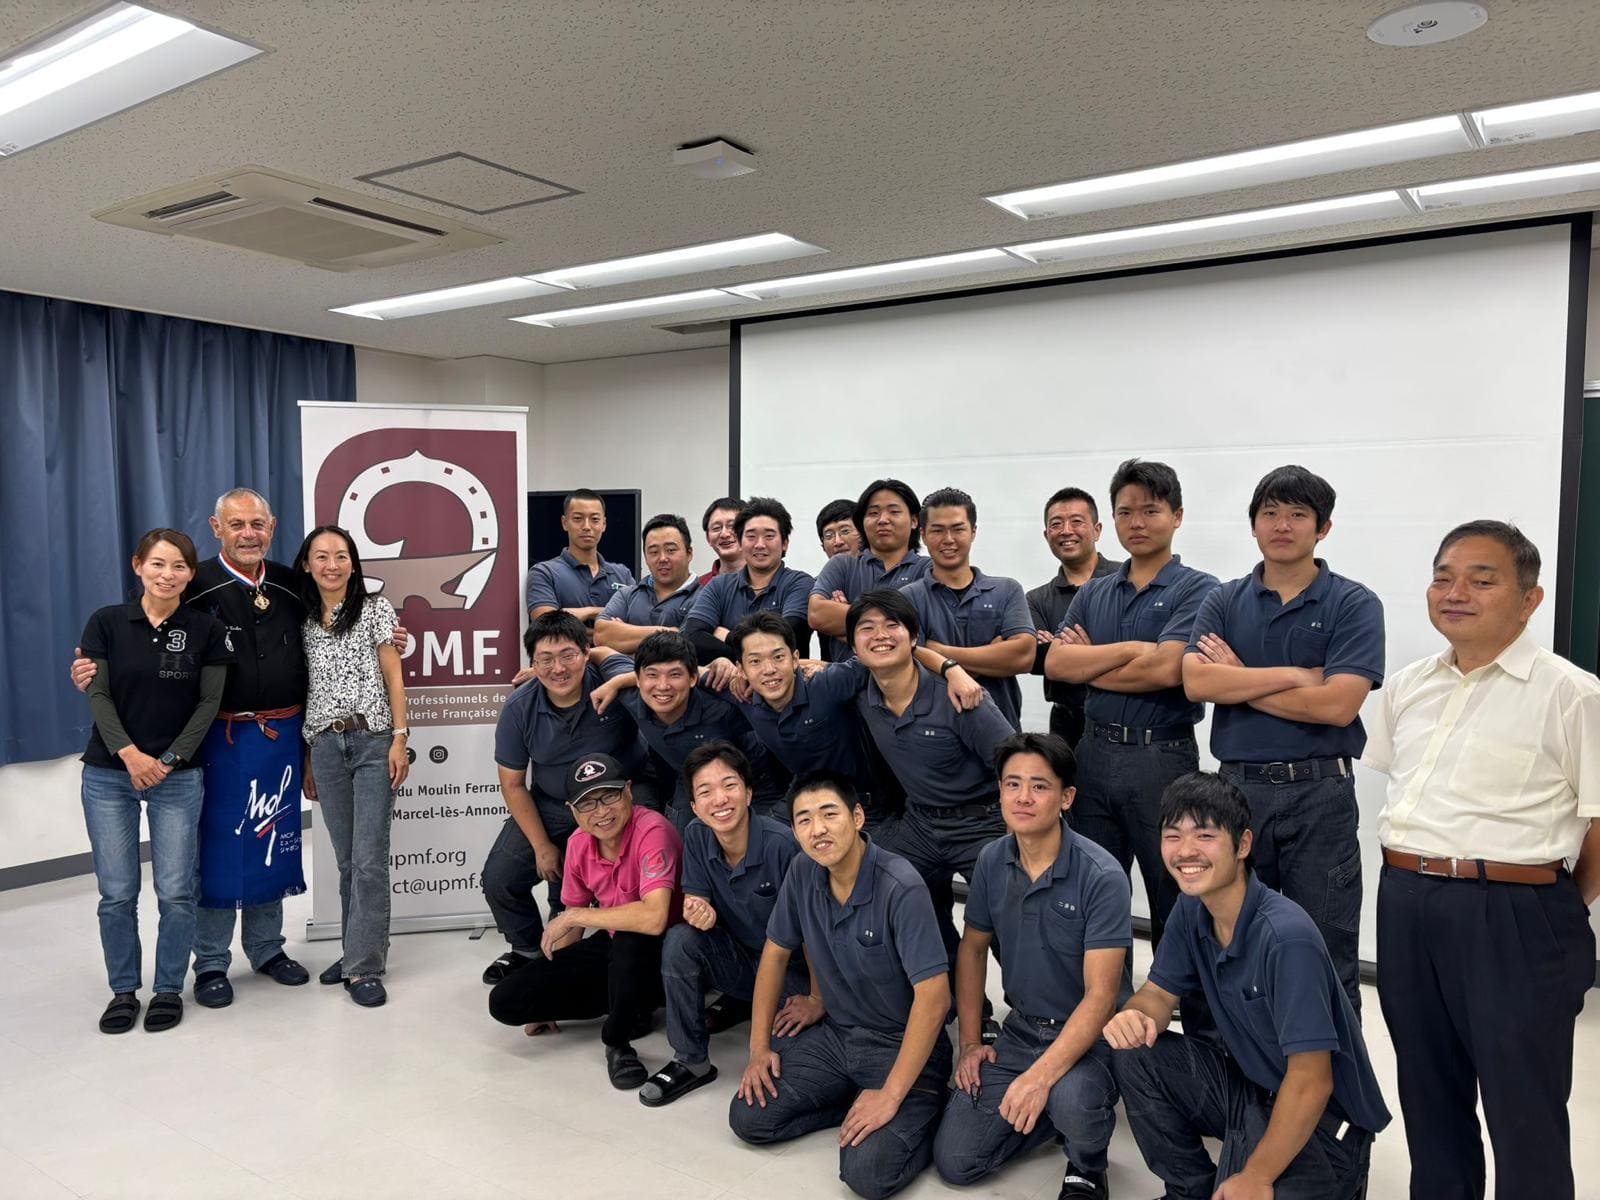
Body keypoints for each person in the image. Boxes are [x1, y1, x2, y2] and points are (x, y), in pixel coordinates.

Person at [68, 489, 402, 1008]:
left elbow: (343, 627)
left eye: (258, 524)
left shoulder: (293, 584)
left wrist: (395, 638)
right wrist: (90, 669)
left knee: (272, 840)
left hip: (285, 734)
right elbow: (143, 640)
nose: (249, 534)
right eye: (237, 524)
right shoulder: (192, 582)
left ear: (272, 527)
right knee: (217, 848)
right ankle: (211, 961)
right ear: (216, 527)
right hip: (216, 738)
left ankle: (267, 948)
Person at [1364, 520, 1600, 1200]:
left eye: (1481, 579)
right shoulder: (1409, 685)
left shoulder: (1571, 693)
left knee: (1523, 1109)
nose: (1455, 592)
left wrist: (1554, 906)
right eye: (1443, 577)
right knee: (1428, 1094)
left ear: (1530, 599)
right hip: (1407, 901)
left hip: (1517, 913)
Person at [1105, 772, 1389, 1200]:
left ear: (1242, 845)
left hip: (1326, 1125)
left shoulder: (1286, 938)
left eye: (1205, 835)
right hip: (1252, 1092)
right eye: (1173, 836)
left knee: (1258, 1181)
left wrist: (1256, 1176)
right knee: (1133, 1053)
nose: (1186, 851)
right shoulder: (1191, 908)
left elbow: (1312, 1081)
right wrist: (1138, 1016)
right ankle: (1190, 1191)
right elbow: (1159, 994)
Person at [1182, 466, 1382, 1011]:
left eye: (1297, 514)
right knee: (1234, 937)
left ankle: (1332, 1068)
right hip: (1237, 792)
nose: (1282, 525)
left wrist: (1239, 680)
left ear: (1324, 528)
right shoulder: (1224, 600)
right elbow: (1197, 681)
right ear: (1253, 525)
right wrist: (1297, 676)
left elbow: (1338, 705)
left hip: (1320, 794)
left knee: (1324, 947)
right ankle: (1240, 1063)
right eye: (1269, 513)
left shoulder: (1353, 603)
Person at [730, 770, 951, 1200]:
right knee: (749, 1118)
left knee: (866, 1175)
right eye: (804, 819)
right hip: (838, 1037)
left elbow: (935, 999)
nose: (818, 829)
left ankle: (922, 1107)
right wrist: (758, 1050)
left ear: (858, 817)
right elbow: (774, 955)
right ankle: (853, 1100)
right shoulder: (802, 870)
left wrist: (891, 1095)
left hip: (900, 1044)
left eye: (830, 814)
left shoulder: (901, 885)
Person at [932, 732, 1130, 1200]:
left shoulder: (1102, 875)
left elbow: (1102, 997)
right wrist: (971, 1043)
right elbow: (972, 950)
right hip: (1021, 1031)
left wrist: (1040, 1078)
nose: (1023, 797)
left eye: (1039, 786)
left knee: (1073, 1099)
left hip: (1093, 1039)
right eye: (1012, 784)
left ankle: (1087, 1164)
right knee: (956, 1161)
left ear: (1067, 798)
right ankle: (1048, 1117)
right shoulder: (991, 860)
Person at [1045, 458, 1217, 947]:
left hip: (1160, 755)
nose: (1136, 523)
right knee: (1095, 887)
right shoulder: (1095, 592)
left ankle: (1176, 989)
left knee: (1173, 886)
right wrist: (1133, 652)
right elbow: (1057, 665)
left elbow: (1167, 671)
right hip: (1093, 752)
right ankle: (1106, 988)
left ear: (1177, 516)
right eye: (1125, 512)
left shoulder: (1200, 589)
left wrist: (1092, 663)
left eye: (1150, 511)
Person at [79, 529, 232, 1034]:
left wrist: (166, 760)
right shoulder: (106, 622)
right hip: (109, 775)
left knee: (176, 890)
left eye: (179, 566)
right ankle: (124, 990)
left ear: (190, 574)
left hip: (178, 777)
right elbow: (98, 695)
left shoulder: (206, 629)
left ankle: (168, 988)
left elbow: (208, 704)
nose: (168, 575)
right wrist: (130, 755)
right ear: (138, 566)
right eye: (158, 564)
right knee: (117, 892)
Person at [849, 588, 1013, 1002]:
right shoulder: (861, 693)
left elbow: (1015, 764)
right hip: (921, 823)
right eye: (867, 628)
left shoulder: (960, 697)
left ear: (913, 638)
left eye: (892, 626)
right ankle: (957, 1003)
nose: (880, 636)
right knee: (897, 897)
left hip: (982, 822)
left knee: (1006, 918)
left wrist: (951, 668)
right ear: (853, 646)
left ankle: (1030, 1011)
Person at [487, 754, 682, 1090]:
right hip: (616, 946)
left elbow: (654, 918)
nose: (601, 812)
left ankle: (617, 1042)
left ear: (629, 792)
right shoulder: (578, 843)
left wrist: (575, 915)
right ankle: (631, 1004)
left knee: (630, 938)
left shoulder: (653, 830)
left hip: (665, 952)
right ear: (572, 810)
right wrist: (552, 994)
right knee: (506, 1000)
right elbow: (571, 928)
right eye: (587, 803)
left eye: (609, 796)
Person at [640, 741, 813, 1107]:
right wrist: (697, 909)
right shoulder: (697, 835)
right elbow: (696, 897)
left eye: (729, 785)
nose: (719, 799)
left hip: (793, 974)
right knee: (681, 939)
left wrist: (819, 998)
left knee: (795, 1070)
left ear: (748, 793)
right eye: (705, 791)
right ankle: (691, 1060)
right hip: (743, 963)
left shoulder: (783, 845)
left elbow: (818, 931)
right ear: (694, 806)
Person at [481, 611, 643, 984]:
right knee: (499, 878)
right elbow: (513, 784)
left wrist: (610, 664)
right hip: (553, 804)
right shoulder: (520, 708)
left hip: (621, 799)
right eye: (545, 659)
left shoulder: (610, 677)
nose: (558, 668)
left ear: (586, 653)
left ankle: (614, 952)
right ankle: (527, 950)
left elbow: (655, 678)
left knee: (611, 877)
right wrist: (541, 846)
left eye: (568, 655)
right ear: (532, 663)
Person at [728, 611, 983, 831]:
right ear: (741, 668)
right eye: (755, 661)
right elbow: (704, 671)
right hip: (807, 795)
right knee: (761, 838)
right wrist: (720, 664)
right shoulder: (743, 696)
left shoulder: (828, 684)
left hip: (866, 803)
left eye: (778, 657)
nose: (769, 669)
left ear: (795, 658)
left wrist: (951, 668)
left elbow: (896, 651)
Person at [296, 525, 409, 1008]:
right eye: (322, 556)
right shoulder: (301, 620)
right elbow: (304, 688)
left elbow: (393, 676)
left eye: (341, 556)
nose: (332, 565)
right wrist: (307, 757)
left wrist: (400, 737)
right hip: (324, 745)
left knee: (368, 860)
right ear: (307, 565)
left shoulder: (376, 609)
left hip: (372, 741)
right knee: (346, 861)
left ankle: (364, 966)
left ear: (354, 563)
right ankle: (353, 951)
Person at [603, 631, 787, 829]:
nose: (663, 686)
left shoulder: (724, 704)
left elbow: (774, 689)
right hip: (691, 779)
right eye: (652, 675)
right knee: (682, 836)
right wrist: (615, 682)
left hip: (751, 780)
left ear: (693, 678)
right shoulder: (629, 695)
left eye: (675, 674)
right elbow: (600, 652)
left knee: (762, 836)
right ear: (638, 680)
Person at [901, 487, 1036, 730]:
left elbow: (1024, 657)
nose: (948, 539)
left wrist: (939, 652)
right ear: (922, 535)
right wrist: (993, 657)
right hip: (936, 731)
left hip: (1002, 729)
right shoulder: (908, 598)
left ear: (973, 532)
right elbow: (912, 670)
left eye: (958, 529)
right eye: (937, 530)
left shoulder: (1007, 590)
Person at [1027, 486, 1119, 751]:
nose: (1066, 531)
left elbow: (1143, 648)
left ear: (1097, 530)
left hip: (1121, 717)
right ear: (1047, 535)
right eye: (1056, 524)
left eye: (1076, 521)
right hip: (1065, 724)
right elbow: (1038, 660)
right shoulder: (1036, 599)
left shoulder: (1126, 580)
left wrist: (1064, 648)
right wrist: (1107, 649)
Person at [809, 479, 930, 663]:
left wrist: (849, 621)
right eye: (873, 513)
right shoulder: (842, 565)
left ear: (914, 521)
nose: (883, 520)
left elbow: (927, 633)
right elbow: (817, 615)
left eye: (894, 511)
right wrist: (898, 625)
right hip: (847, 679)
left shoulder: (928, 569)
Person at [683, 496, 815, 660]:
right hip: (727, 678)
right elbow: (692, 637)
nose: (759, 544)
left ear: (785, 543)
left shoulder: (800, 583)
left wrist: (728, 636)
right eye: (751, 536)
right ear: (740, 542)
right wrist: (749, 658)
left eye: (769, 536)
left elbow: (789, 637)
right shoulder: (718, 586)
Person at [594, 513, 702, 652]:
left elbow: (684, 647)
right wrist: (672, 632)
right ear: (645, 557)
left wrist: (625, 635)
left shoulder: (704, 597)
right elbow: (601, 635)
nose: (662, 558)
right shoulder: (627, 595)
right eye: (654, 552)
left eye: (670, 550)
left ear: (689, 553)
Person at [525, 488, 635, 622]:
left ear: (604, 524)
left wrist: (584, 613)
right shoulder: (544, 572)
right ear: (564, 523)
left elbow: (638, 621)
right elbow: (546, 625)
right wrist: (603, 616)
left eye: (595, 519)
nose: (587, 526)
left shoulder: (623, 575)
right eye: (578, 519)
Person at [698, 496, 746, 586]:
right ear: (708, 538)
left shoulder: (769, 580)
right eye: (716, 528)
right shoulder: (699, 586)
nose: (724, 534)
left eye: (732, 526)